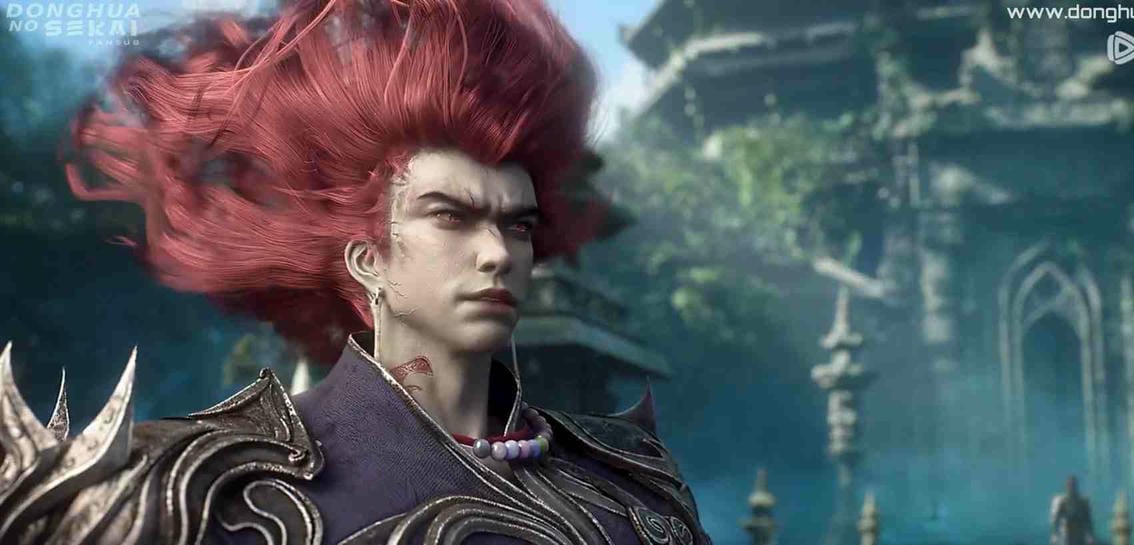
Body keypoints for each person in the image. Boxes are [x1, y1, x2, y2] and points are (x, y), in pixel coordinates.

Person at [0, 1, 710, 544]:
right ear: (367, 258)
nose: (497, 253)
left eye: (517, 225)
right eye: (451, 216)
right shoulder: (203, 486)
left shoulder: (634, 487)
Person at [1050, 475, 1097, 545]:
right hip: (1066, 534)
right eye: (1070, 485)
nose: (1071, 488)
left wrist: (1090, 535)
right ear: (1066, 487)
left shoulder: (1083, 502)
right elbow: (1056, 520)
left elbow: (1088, 520)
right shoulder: (1062, 502)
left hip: (1080, 534)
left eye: (1073, 485)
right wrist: (1055, 535)